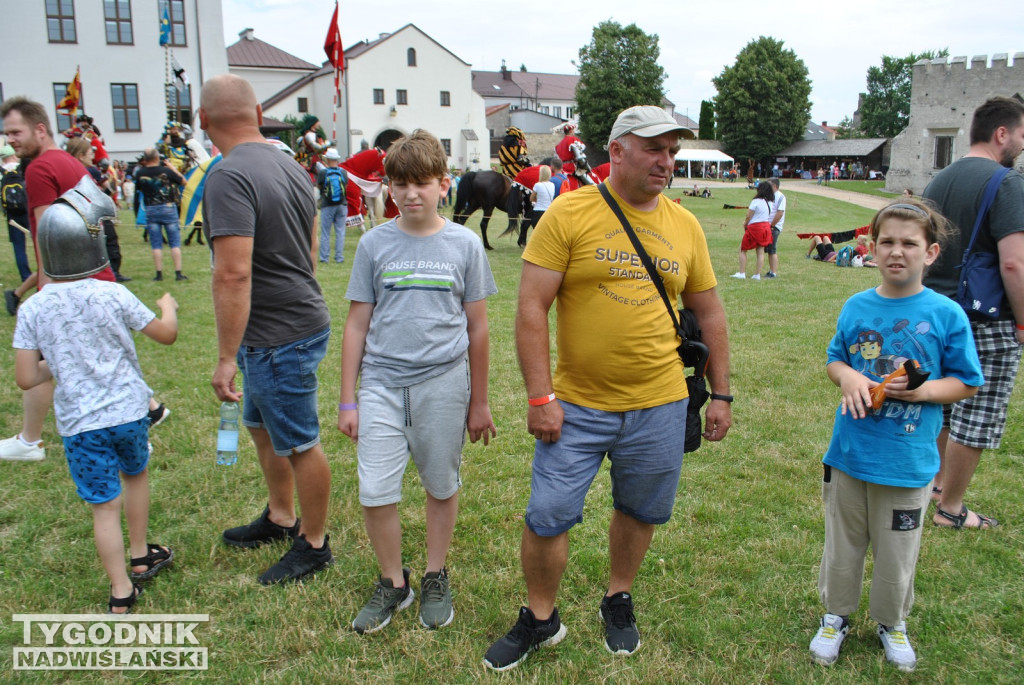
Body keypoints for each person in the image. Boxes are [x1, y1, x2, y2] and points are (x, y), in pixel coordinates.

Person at [483, 105, 732, 671]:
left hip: (661, 403)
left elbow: (710, 312)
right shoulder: (570, 212)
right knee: (548, 515)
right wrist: (540, 397)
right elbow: (530, 308)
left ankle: (618, 597)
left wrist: (721, 393)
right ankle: (541, 617)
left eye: (672, 151)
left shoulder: (684, 224)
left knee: (640, 509)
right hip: (575, 406)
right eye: (654, 149)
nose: (666, 161)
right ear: (616, 151)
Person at [809, 199, 983, 672]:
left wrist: (923, 391)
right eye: (887, 241)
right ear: (871, 246)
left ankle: (892, 622)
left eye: (910, 243)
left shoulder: (946, 314)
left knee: (897, 552)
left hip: (907, 464)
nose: (897, 251)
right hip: (849, 455)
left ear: (930, 253)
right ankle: (835, 616)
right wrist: (846, 377)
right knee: (842, 546)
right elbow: (836, 358)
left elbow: (966, 381)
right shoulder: (857, 306)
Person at [339, 129, 497, 634]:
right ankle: (393, 582)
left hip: (443, 385)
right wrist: (348, 399)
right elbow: (357, 325)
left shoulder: (465, 244)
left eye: (422, 183)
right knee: (375, 491)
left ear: (443, 185)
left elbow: (478, 327)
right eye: (400, 184)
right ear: (387, 188)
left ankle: (434, 573)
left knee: (440, 483)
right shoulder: (373, 244)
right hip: (381, 385)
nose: (411, 194)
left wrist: (479, 401)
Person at [14, 178, 180, 613]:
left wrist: (62, 362)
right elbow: (166, 336)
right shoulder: (113, 292)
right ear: (93, 247)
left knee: (104, 509)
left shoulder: (34, 307)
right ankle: (141, 554)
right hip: (128, 413)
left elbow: (27, 378)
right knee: (136, 476)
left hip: (81, 426)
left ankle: (122, 590)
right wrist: (169, 308)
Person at [200, 74, 334, 585]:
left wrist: (224, 357)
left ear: (203, 121)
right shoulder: (289, 163)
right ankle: (281, 516)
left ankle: (315, 544)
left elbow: (232, 272)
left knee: (299, 441)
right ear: (258, 111)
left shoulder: (228, 175)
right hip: (289, 322)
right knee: (260, 427)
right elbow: (313, 241)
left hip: (279, 334)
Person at [922, 96, 1024, 529]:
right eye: (1021, 134)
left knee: (943, 406)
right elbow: (1014, 262)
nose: (1021, 143)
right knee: (977, 413)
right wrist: (1021, 321)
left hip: (937, 311)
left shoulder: (937, 181)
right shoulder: (1007, 182)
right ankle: (952, 508)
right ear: (1001, 133)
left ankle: (937, 485)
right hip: (987, 317)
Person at [0, 96, 115, 462]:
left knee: (49, 358)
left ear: (39, 129)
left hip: (73, 281)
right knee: (91, 357)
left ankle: (31, 441)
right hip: (94, 276)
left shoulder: (38, 168)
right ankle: (147, 412)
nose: (11, 140)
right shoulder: (66, 160)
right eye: (6, 134)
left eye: (16, 132)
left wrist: (47, 293)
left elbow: (52, 235)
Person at [65, 138, 130, 283]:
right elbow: (106, 191)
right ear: (81, 155)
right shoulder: (87, 172)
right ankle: (111, 271)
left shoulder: (76, 170)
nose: (93, 156)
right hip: (91, 216)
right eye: (90, 153)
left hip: (88, 215)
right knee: (107, 243)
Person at [135, 148, 187, 282]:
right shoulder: (166, 171)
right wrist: (171, 167)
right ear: (157, 158)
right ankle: (178, 273)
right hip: (168, 207)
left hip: (151, 208)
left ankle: (159, 273)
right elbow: (183, 181)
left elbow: (139, 190)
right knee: (174, 242)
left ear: (145, 159)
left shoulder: (140, 173)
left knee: (156, 243)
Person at [730, 181, 775, 280]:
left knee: (743, 249)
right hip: (765, 227)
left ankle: (742, 273)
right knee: (760, 251)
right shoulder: (771, 203)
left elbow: (748, 215)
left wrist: (745, 223)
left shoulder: (756, 201)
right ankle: (757, 274)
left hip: (755, 227)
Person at [316, 148, 348, 263]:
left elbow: (319, 186)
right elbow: (346, 186)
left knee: (325, 232)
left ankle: (324, 258)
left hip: (327, 204)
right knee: (340, 232)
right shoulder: (343, 172)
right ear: (337, 159)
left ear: (328, 159)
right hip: (342, 204)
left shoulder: (323, 172)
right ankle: (339, 257)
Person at [765, 178, 786, 278]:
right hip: (767, 226)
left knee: (772, 249)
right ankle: (770, 270)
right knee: (768, 250)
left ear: (774, 186)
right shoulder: (769, 196)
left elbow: (780, 213)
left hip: (774, 227)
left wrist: (772, 225)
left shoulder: (780, 197)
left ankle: (773, 272)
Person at [528, 165, 555, 237]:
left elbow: (531, 198)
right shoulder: (552, 185)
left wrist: (537, 199)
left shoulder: (538, 185)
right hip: (548, 211)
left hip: (538, 211)